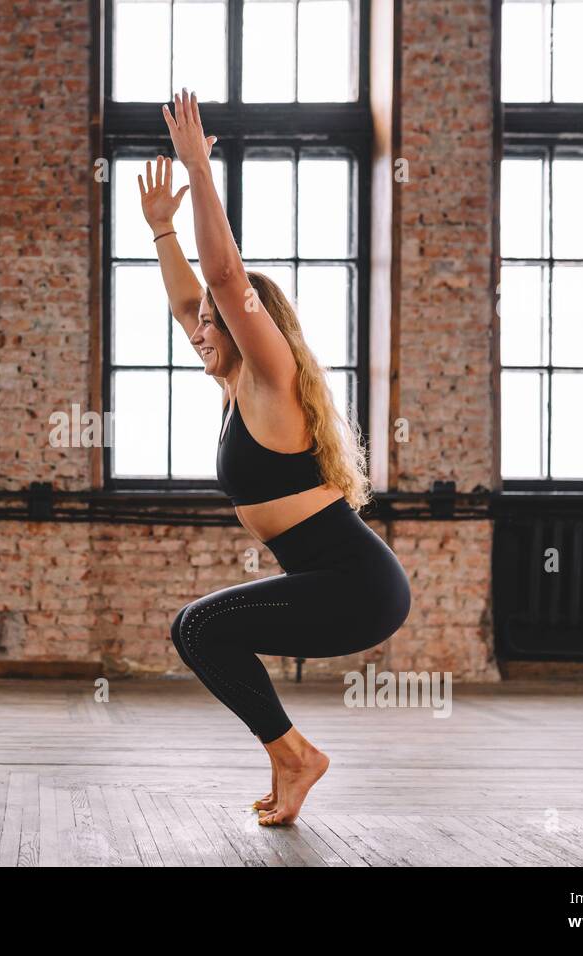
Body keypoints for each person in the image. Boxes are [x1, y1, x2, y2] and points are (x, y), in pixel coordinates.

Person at [140, 89, 411, 826]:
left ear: (246, 328)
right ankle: (291, 759)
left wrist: (199, 168)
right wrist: (162, 231)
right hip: (337, 583)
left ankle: (294, 755)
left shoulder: (271, 380)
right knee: (205, 631)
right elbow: (191, 299)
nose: (199, 330)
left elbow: (225, 280)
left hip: (358, 585)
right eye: (196, 324)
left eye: (211, 324)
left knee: (197, 629)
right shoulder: (232, 386)